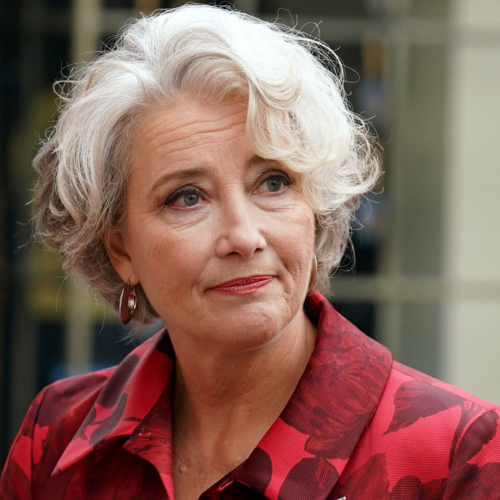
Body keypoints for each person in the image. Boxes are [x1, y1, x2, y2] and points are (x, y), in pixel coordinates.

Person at [1, 5, 499, 500]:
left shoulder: (461, 457)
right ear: (120, 249)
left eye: (273, 182)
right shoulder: (56, 438)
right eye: (187, 197)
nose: (243, 236)